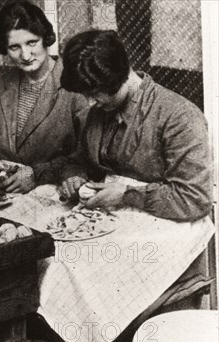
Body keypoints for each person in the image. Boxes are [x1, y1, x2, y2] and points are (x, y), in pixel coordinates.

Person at [58, 30, 212, 222]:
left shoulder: (179, 117)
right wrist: (75, 177)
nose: (89, 103)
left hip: (167, 225)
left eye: (95, 93)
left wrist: (126, 195)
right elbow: (79, 161)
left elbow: (194, 199)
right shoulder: (100, 110)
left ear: (119, 76)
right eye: (84, 94)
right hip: (113, 222)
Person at [0, 1, 88, 193]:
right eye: (14, 47)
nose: (25, 55)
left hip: (51, 194)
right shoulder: (0, 85)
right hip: (3, 191)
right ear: (4, 49)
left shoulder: (76, 86)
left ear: (46, 38)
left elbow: (85, 156)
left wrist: (37, 174)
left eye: (32, 42)